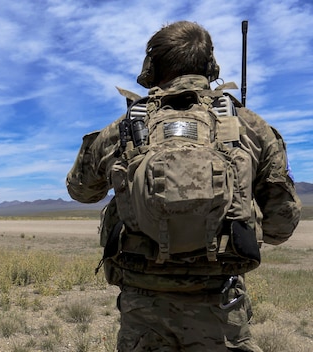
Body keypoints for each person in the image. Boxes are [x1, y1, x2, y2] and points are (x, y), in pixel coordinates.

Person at [66, 21, 301, 351]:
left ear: (151, 68)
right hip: (222, 312)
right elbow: (280, 226)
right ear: (210, 67)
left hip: (142, 314)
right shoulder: (251, 127)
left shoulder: (124, 128)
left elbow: (80, 190)